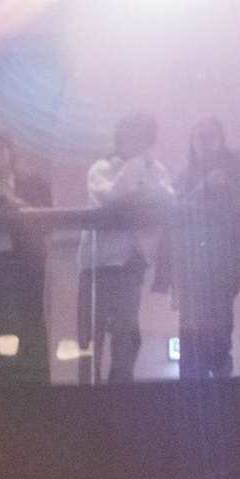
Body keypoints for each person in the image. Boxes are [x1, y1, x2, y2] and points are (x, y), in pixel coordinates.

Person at [165, 118, 240, 383]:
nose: (206, 141)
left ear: (221, 138)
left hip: (225, 261)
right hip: (191, 264)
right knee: (190, 330)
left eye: (211, 135)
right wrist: (204, 186)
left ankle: (221, 384)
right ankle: (192, 387)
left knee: (221, 326)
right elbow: (172, 209)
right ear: (192, 141)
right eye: (200, 136)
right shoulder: (184, 175)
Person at [83, 112, 171, 385]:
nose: (139, 142)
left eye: (144, 137)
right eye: (134, 135)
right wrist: (135, 167)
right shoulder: (100, 167)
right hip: (98, 262)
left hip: (133, 260)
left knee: (126, 331)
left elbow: (168, 197)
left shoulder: (157, 169)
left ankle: (120, 388)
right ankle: (90, 391)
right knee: (92, 331)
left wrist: (143, 186)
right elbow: (111, 195)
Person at [0, 131, 52, 384]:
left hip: (27, 263)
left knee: (29, 320)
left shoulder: (34, 183)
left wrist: (10, 200)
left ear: (10, 152)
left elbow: (46, 219)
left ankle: (33, 381)